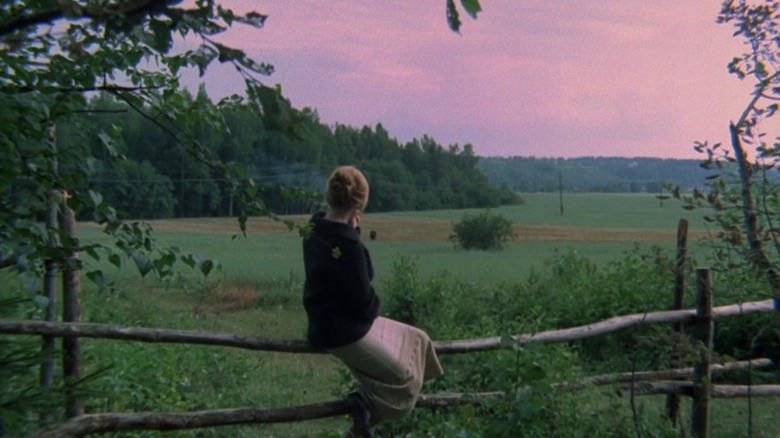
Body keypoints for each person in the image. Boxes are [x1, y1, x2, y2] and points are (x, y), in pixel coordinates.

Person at [302, 165, 443, 437]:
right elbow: (365, 301)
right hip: (343, 331)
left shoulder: (314, 228)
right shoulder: (349, 246)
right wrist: (354, 237)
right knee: (406, 382)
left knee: (419, 339)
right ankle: (363, 412)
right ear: (359, 205)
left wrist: (350, 234)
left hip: (327, 321)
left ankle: (370, 399)